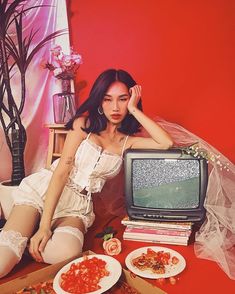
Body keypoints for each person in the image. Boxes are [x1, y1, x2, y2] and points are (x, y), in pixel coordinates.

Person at [0, 68, 173, 278]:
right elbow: (62, 172)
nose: (115, 107)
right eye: (107, 99)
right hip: (46, 191)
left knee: (67, 254)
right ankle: (28, 230)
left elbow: (166, 143)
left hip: (77, 206)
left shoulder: (128, 141)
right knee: (3, 262)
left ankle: (26, 237)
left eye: (123, 99)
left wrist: (135, 110)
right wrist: (45, 226)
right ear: (99, 101)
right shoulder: (84, 125)